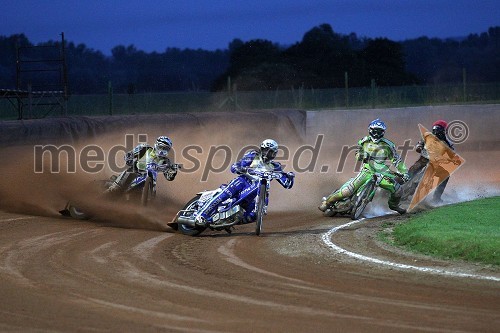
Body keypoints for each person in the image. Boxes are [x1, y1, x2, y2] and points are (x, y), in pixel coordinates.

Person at [193, 139, 295, 227]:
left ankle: (231, 220)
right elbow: (238, 165)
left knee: (257, 214)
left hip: (257, 191)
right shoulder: (253, 155)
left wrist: (290, 177)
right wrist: (239, 167)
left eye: (272, 152)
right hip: (243, 181)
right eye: (266, 150)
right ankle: (201, 215)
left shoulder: (275, 166)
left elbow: (287, 184)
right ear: (262, 149)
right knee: (225, 194)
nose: (268, 154)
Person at [318, 119, 410, 214]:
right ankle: (328, 202)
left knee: (398, 190)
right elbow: (358, 153)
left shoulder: (388, 145)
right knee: (347, 191)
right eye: (375, 131)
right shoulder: (364, 141)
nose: (376, 134)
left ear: (383, 132)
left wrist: (404, 172)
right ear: (370, 130)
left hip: (382, 173)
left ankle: (394, 206)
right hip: (366, 171)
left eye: (379, 132)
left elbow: (397, 160)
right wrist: (362, 155)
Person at [408, 120, 460, 203]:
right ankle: (402, 185)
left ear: (443, 130)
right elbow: (419, 145)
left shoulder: (447, 142)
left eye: (438, 129)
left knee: (445, 175)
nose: (436, 131)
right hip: (423, 160)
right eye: (435, 129)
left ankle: (436, 198)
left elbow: (453, 155)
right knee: (413, 169)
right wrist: (419, 147)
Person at [107, 136, 178, 192]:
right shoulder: (145, 148)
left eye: (166, 149)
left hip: (146, 182)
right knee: (114, 190)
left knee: (136, 201)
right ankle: (102, 196)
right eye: (161, 147)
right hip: (133, 172)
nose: (163, 151)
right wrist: (129, 158)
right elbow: (130, 154)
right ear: (156, 145)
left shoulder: (166, 161)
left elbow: (169, 177)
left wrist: (173, 172)